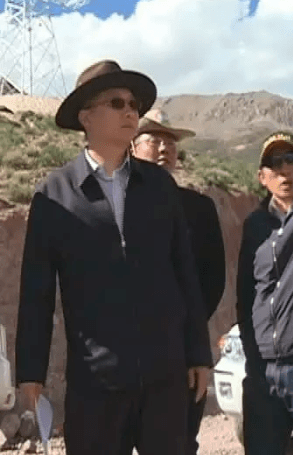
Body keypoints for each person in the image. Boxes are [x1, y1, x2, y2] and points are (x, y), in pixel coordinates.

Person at [15, 60, 212, 455]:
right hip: (95, 384)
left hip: (165, 378)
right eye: (117, 103)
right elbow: (37, 292)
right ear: (86, 116)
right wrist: (30, 373)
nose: (130, 112)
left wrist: (198, 354)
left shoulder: (159, 186)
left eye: (133, 105)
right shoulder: (54, 195)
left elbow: (185, 275)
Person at [132, 109, 226, 454]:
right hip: (124, 352)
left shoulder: (199, 208)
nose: (164, 148)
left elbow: (213, 278)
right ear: (132, 147)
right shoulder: (115, 204)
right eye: (154, 140)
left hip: (183, 350)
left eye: (170, 142)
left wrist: (186, 326)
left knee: (180, 443)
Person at [237, 131, 293, 455]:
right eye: (275, 163)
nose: (284, 169)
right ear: (262, 177)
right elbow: (246, 296)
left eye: (290, 159)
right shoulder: (254, 225)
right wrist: (254, 355)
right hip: (263, 374)